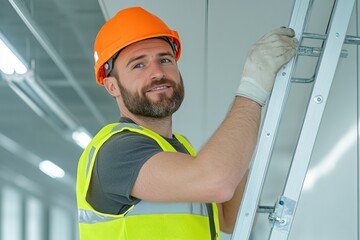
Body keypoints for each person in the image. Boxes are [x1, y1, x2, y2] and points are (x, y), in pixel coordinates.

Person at [76, 6, 298, 240]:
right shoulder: (118, 151)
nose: (157, 72)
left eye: (164, 59)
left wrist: (239, 147)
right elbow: (218, 182)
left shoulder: (178, 148)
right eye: (138, 65)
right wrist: (253, 88)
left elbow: (232, 221)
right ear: (112, 86)